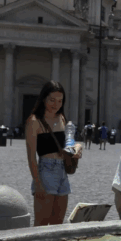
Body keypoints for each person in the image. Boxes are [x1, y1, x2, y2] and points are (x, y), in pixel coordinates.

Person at [25, 81, 83, 226]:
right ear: (43, 98)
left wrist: (78, 147)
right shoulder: (34, 121)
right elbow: (31, 156)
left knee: (58, 224)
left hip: (62, 172)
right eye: (52, 100)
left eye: (60, 100)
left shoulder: (62, 117)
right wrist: (37, 183)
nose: (56, 104)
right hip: (46, 171)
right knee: (41, 224)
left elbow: (68, 143)